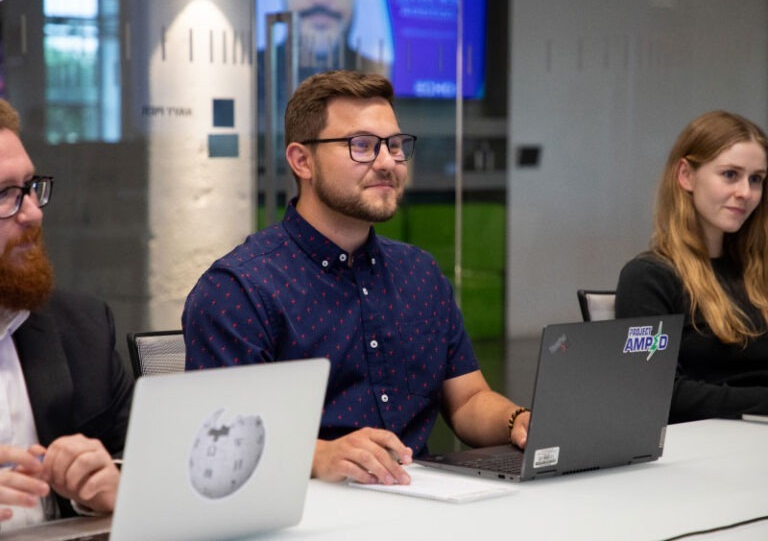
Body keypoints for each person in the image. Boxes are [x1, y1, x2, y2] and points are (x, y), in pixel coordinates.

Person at [184, 69, 530, 486]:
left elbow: (469, 400)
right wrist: (318, 455)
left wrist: (517, 421)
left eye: (395, 145)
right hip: (302, 512)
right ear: (301, 160)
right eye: (361, 146)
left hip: (421, 505)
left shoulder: (419, 274)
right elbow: (223, 441)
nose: (388, 162)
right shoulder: (240, 289)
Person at [0, 99, 133, 530]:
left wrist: (109, 489)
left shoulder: (82, 330)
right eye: (4, 195)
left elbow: (147, 472)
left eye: (29, 187)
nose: (34, 213)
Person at [616, 110, 768, 423]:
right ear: (686, 175)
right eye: (730, 174)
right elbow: (657, 391)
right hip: (705, 448)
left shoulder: (758, 271)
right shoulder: (650, 277)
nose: (746, 192)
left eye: (756, 179)